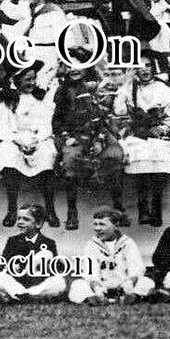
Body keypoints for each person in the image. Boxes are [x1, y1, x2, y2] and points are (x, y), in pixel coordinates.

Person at [53, 49, 123, 230]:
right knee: (70, 158)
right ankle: (71, 210)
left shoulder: (97, 87)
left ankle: (118, 207)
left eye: (78, 66)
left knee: (115, 155)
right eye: (69, 66)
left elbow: (104, 115)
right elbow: (57, 120)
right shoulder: (62, 90)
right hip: (74, 136)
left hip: (99, 133)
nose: (73, 70)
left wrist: (100, 139)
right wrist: (66, 137)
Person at [0, 61, 59, 227]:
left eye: (33, 79)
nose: (31, 83)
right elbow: (1, 127)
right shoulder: (7, 100)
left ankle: (50, 209)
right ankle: (12, 209)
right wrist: (18, 141)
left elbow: (46, 123)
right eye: (27, 79)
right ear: (17, 80)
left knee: (47, 154)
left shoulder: (39, 98)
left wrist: (38, 140)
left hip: (37, 138)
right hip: (14, 138)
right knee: (8, 155)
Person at [114, 49, 170, 226]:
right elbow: (119, 111)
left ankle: (156, 205)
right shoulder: (130, 89)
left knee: (160, 155)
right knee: (138, 155)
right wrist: (125, 86)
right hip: (137, 135)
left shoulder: (162, 88)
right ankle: (143, 207)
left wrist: (164, 128)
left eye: (148, 66)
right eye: (140, 67)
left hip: (158, 135)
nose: (145, 70)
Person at [68, 208, 153, 305]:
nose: (97, 228)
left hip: (124, 286)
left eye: (102, 224)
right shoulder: (91, 244)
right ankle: (93, 299)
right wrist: (97, 287)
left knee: (146, 282)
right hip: (101, 287)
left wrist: (128, 285)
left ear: (115, 225)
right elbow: (90, 271)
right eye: (95, 224)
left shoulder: (127, 242)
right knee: (77, 284)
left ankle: (131, 297)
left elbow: (136, 268)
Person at [0, 204, 67, 301]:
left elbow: (55, 270)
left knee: (59, 281)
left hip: (37, 285)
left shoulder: (49, 243)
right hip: (17, 283)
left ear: (38, 224)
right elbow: (3, 265)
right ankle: (20, 294)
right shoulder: (12, 241)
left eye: (26, 219)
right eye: (19, 219)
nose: (20, 222)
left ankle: (28, 295)